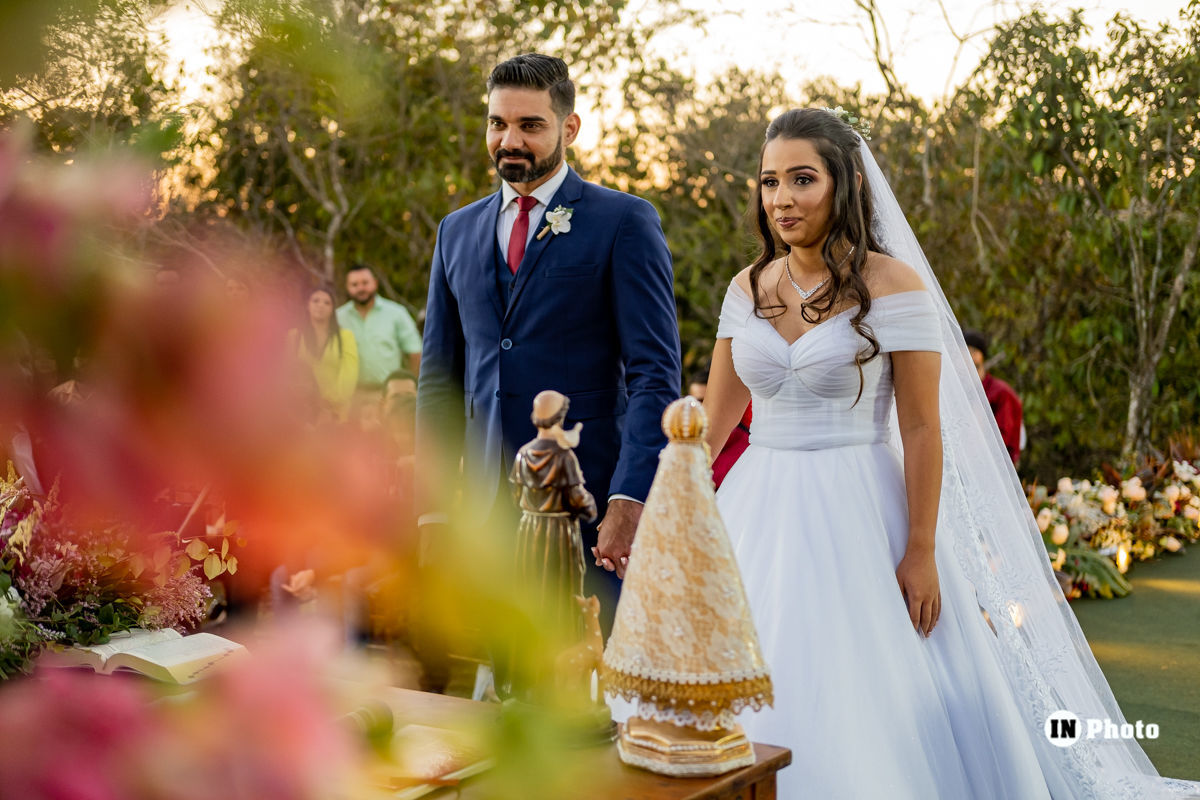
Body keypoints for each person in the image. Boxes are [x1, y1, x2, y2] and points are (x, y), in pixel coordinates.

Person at [701, 108, 1198, 799]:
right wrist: (665, 512)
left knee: (858, 676)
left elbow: (922, 431)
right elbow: (711, 425)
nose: (781, 198)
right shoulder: (745, 288)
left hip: (859, 503)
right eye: (769, 181)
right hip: (755, 506)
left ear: (843, 184)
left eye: (802, 179)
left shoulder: (894, 285)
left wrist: (921, 549)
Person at [416, 53, 681, 619]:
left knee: (593, 682)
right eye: (497, 123)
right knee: (505, 691)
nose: (509, 140)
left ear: (569, 128)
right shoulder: (454, 231)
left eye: (529, 125)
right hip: (484, 515)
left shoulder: (623, 221)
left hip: (589, 508)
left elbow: (655, 374)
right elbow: (438, 382)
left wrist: (629, 499)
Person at [337, 264, 422, 389]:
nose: (361, 288)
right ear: (347, 287)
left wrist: (411, 387)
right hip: (350, 396)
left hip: (388, 393)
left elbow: (415, 352)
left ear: (375, 283)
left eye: (365, 283)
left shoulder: (396, 313)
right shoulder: (338, 317)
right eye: (354, 285)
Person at [289, 284, 359, 422]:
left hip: (335, 412)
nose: (320, 305)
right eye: (315, 301)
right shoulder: (294, 336)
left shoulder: (345, 337)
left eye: (327, 302)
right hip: (301, 411)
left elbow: (350, 373)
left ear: (333, 309)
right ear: (307, 305)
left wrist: (329, 402)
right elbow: (288, 372)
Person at [964, 329, 1024, 466]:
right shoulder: (961, 391)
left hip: (995, 466)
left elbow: (1002, 439)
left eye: (971, 351)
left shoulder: (1000, 392)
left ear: (979, 355)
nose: (966, 357)